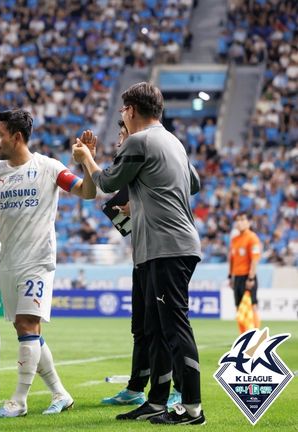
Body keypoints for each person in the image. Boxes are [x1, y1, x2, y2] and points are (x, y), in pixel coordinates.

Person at [73, 82, 204, 425]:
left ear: (130, 111)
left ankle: (192, 409)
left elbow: (105, 183)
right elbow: (194, 184)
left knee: (173, 327)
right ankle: (157, 401)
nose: (123, 118)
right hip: (164, 246)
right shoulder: (173, 141)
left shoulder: (139, 140)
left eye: (122, 112)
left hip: (166, 247)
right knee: (156, 329)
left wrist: (86, 157)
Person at [0, 109, 97, 417]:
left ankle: (18, 400)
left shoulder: (48, 167)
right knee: (24, 326)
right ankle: (60, 394)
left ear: (17, 137)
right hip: (8, 260)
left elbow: (88, 191)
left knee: (28, 325)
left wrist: (86, 160)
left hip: (38, 260)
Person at [101, 119, 182, 408]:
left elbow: (186, 186)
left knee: (166, 326)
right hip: (142, 255)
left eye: (121, 134)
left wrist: (138, 205)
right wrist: (128, 211)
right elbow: (127, 222)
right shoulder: (136, 163)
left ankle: (179, 391)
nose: (118, 140)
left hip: (162, 252)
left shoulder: (157, 153)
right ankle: (137, 387)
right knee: (143, 327)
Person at [228, 212, 262, 330]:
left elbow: (254, 260)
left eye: (242, 220)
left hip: (247, 277)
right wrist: (230, 276)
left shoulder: (252, 238)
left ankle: (256, 335)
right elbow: (231, 259)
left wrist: (251, 278)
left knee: (252, 306)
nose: (239, 222)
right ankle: (243, 336)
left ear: (248, 222)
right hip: (237, 277)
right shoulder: (234, 239)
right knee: (239, 308)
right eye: (237, 220)